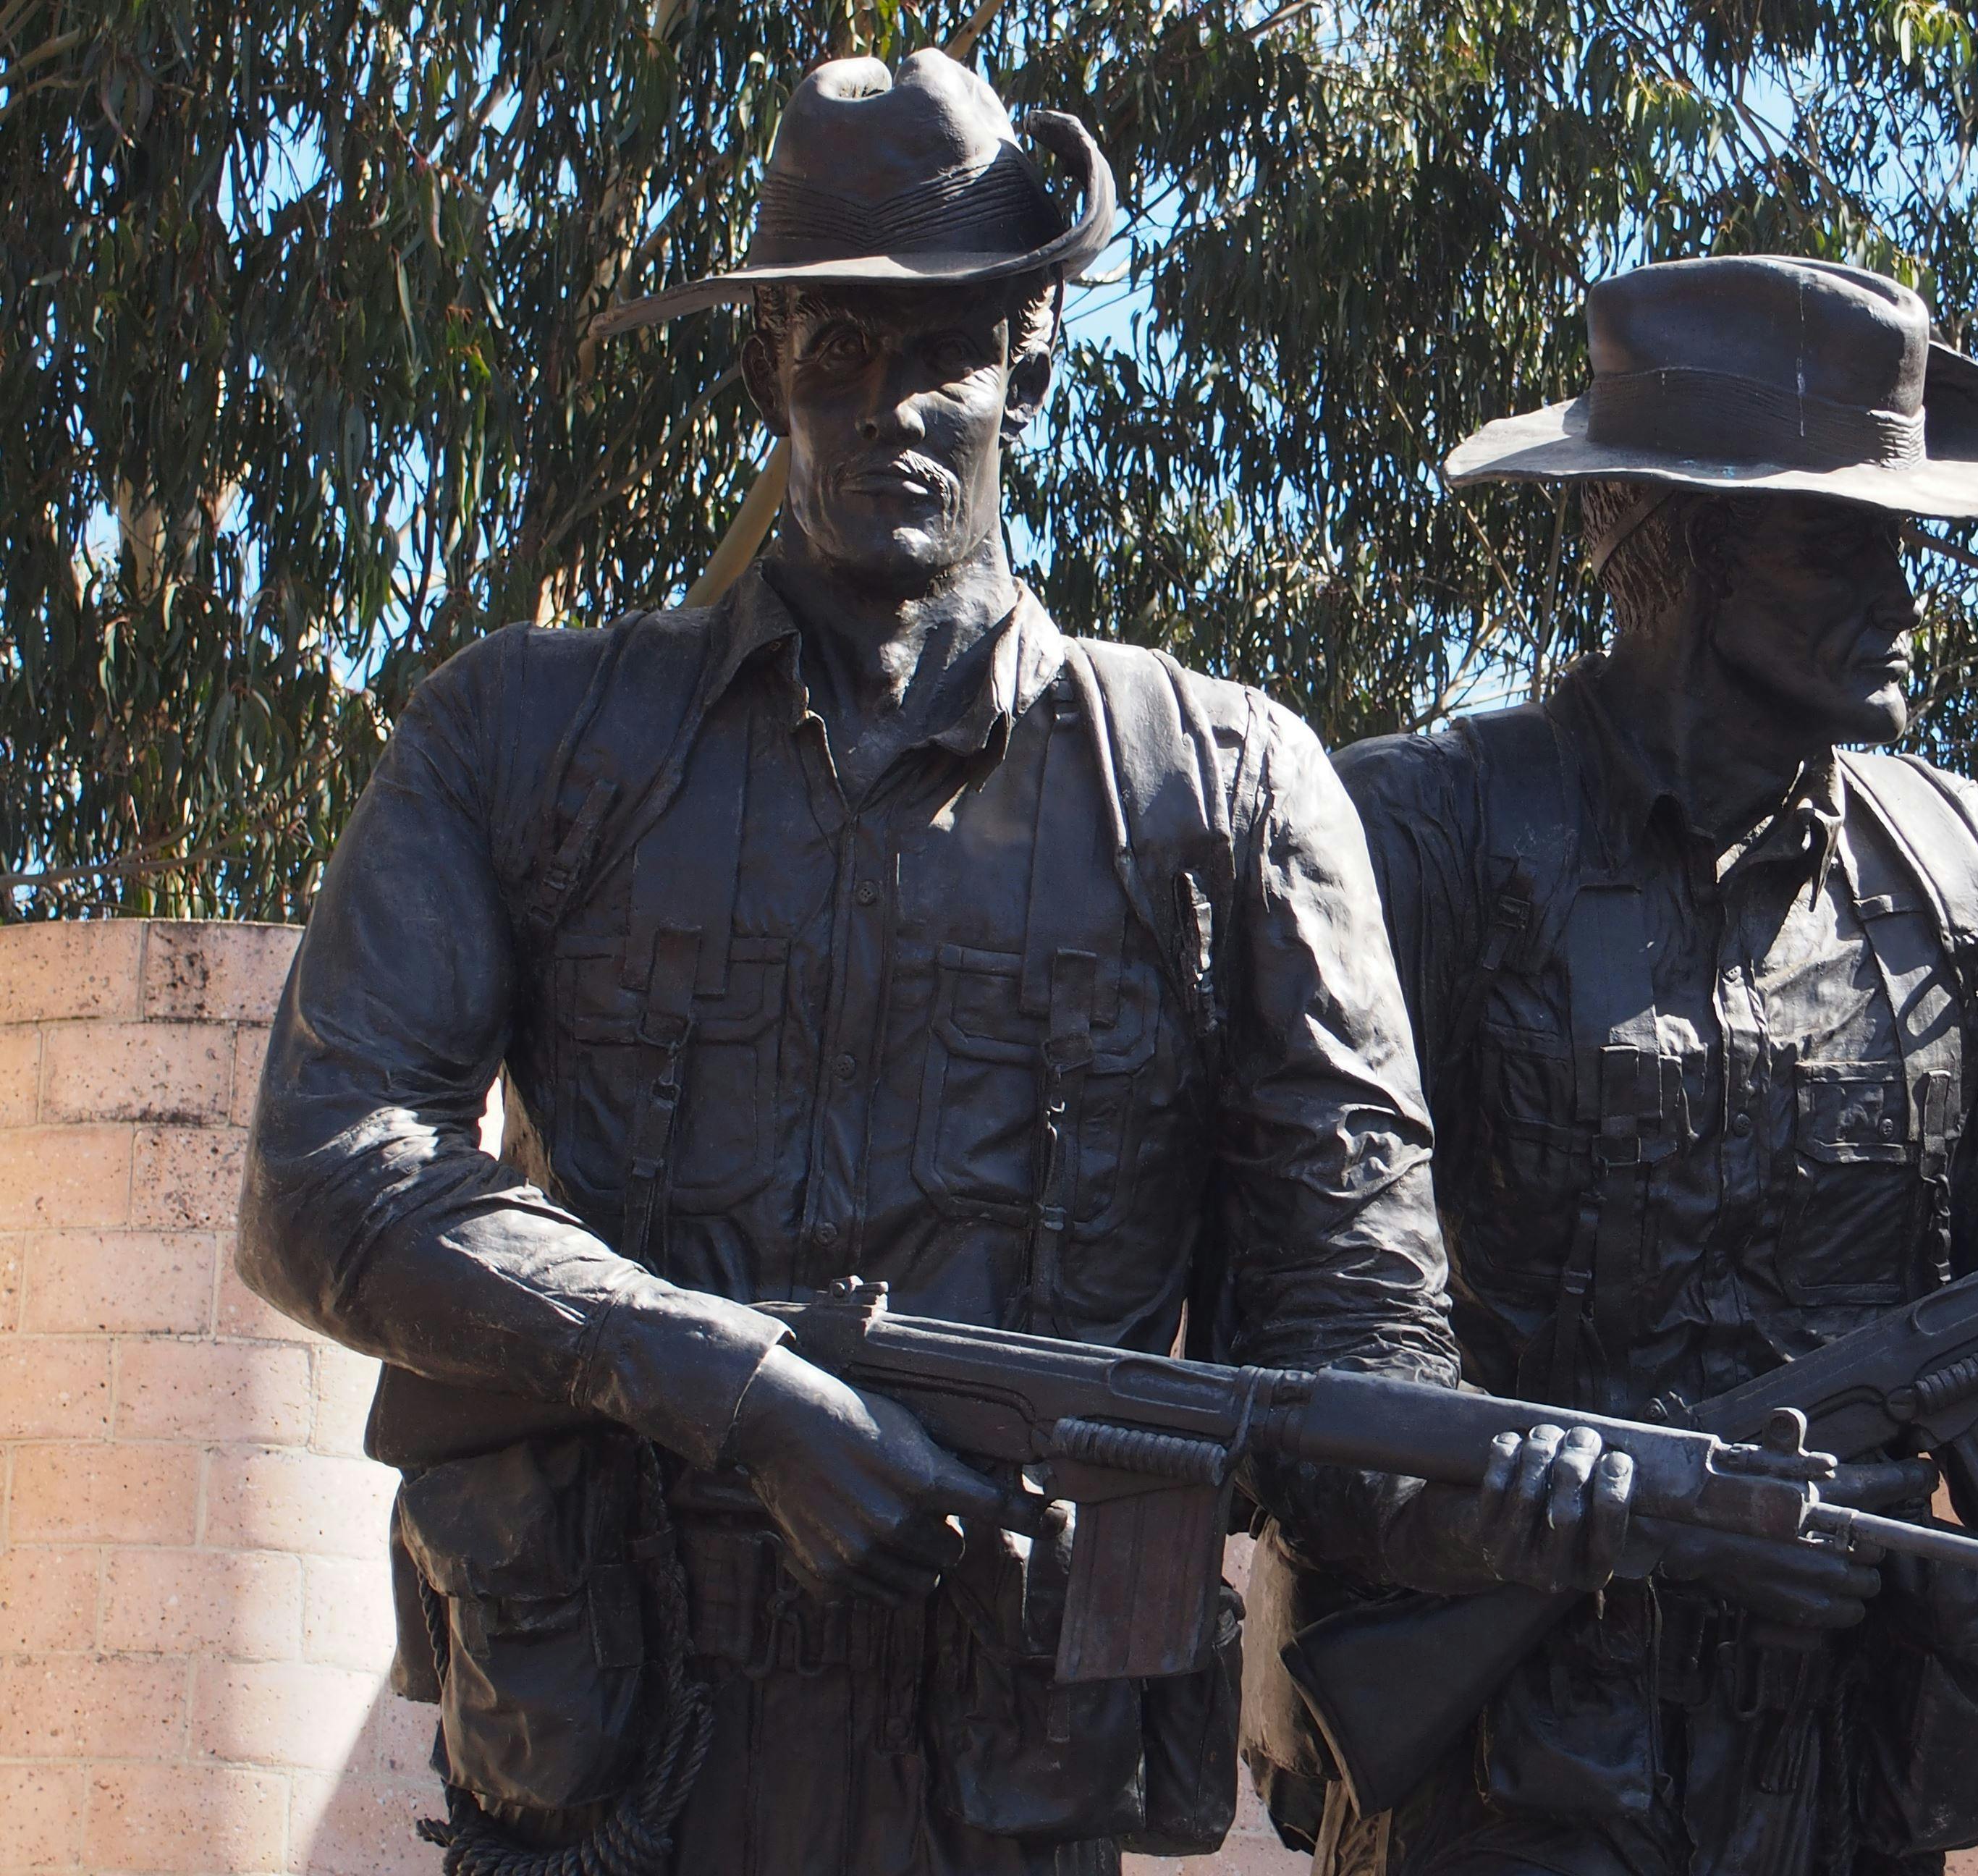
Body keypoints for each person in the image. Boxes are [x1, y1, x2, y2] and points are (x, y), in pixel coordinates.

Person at [239, 53, 1623, 1876]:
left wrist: (1500, 1493)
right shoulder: (526, 736)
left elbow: (1345, 1335)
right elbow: (324, 1170)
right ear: (764, 368)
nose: (892, 406)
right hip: (615, 1770)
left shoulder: (1228, 788)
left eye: (951, 351)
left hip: (1003, 1774)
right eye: (837, 349)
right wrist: (729, 1390)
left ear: (1033, 366)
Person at [1261, 255, 1978, 1876]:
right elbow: (1301, 1378)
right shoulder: (1422, 840)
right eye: (1839, 541)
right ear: (1687, 545)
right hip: (1509, 1792)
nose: (1904, 596)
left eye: (1905, 539)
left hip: (1840, 1794)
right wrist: (1629, 1523)